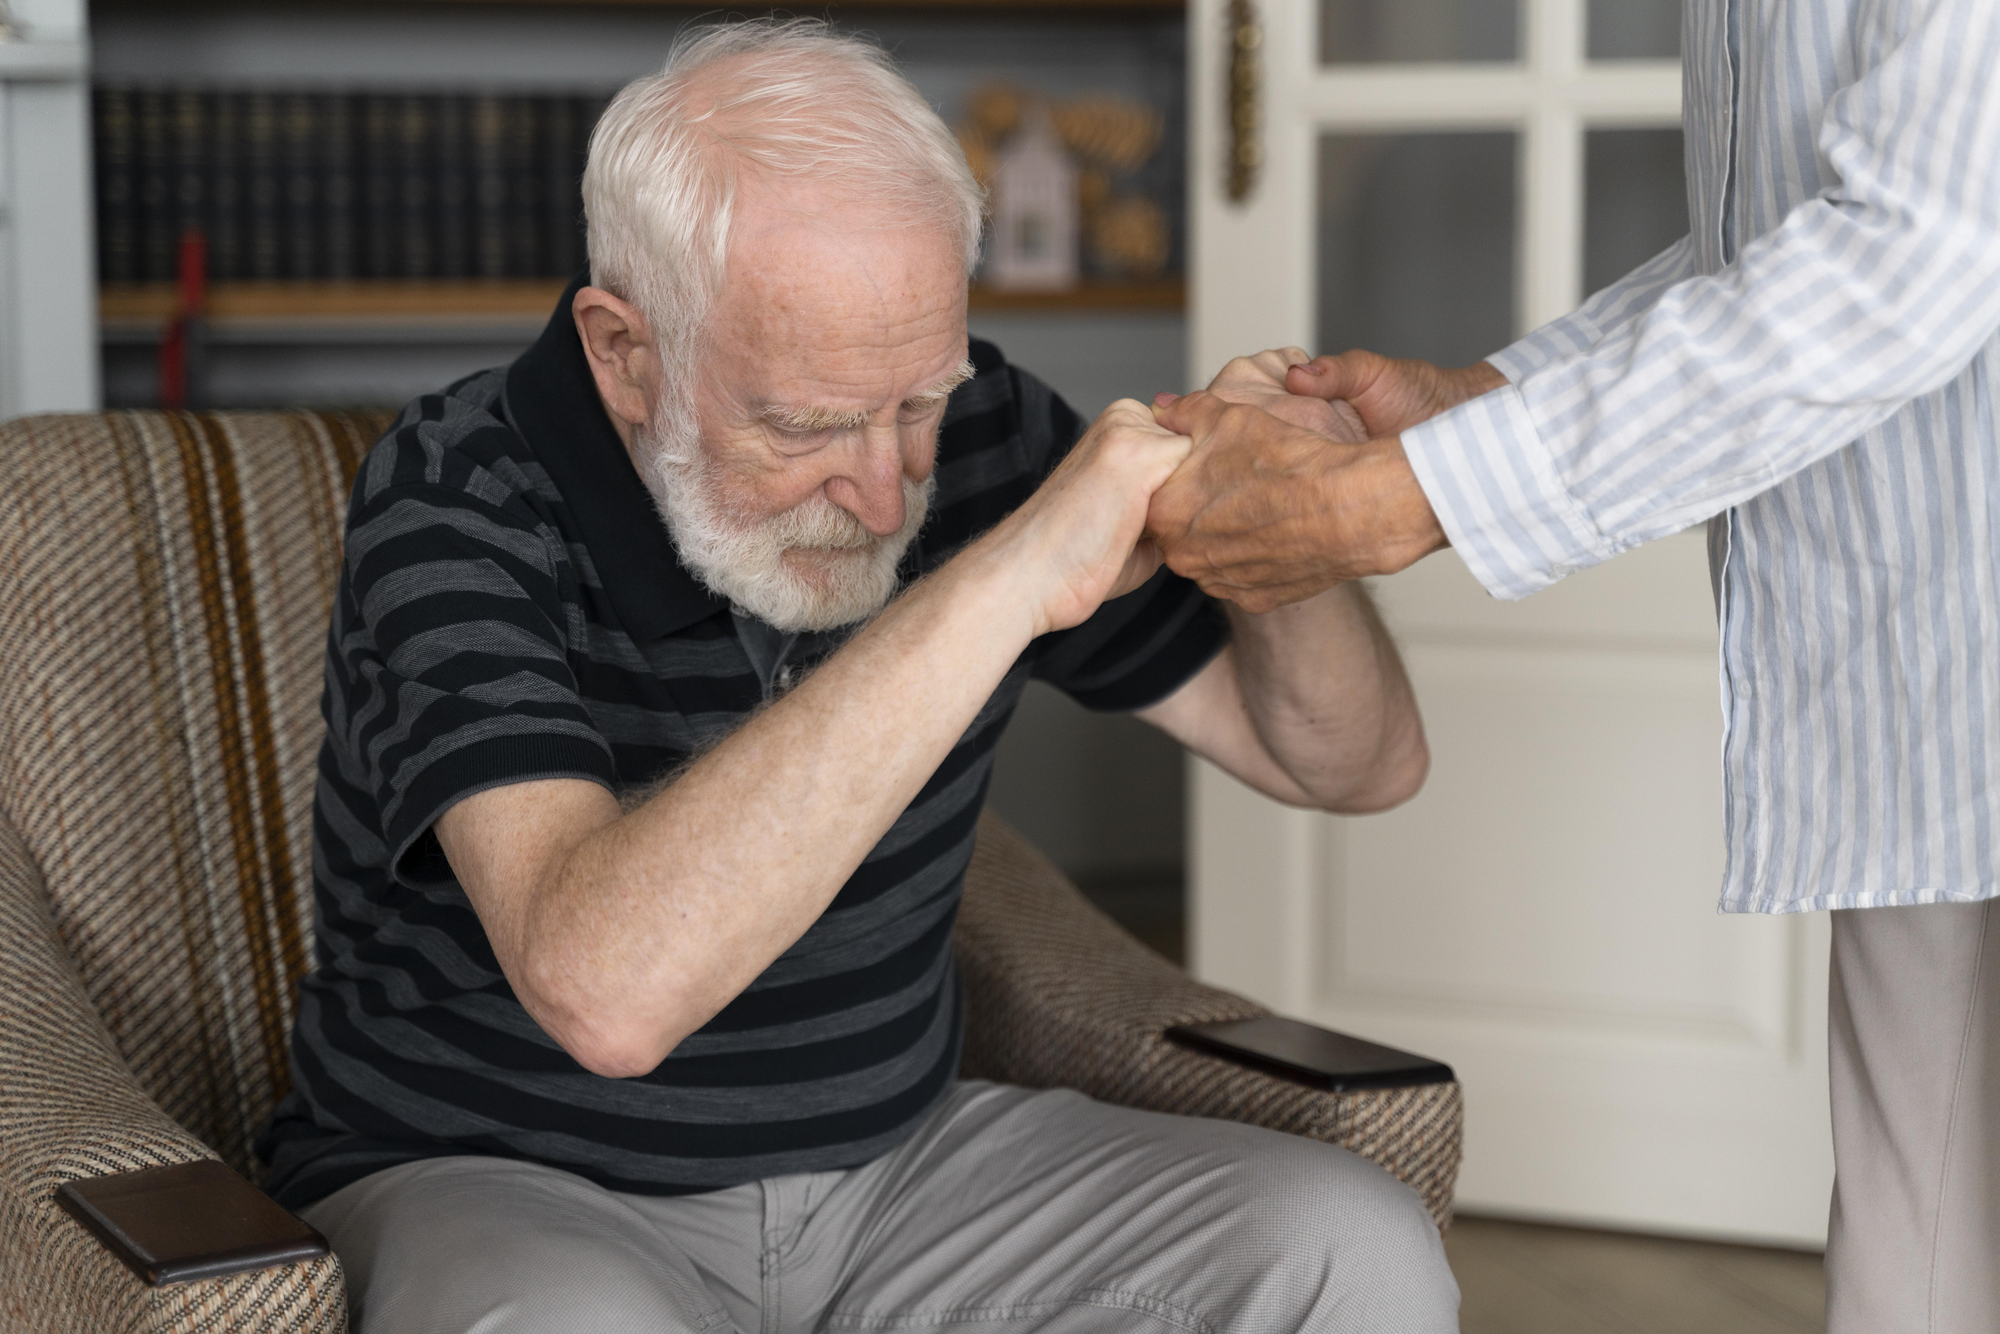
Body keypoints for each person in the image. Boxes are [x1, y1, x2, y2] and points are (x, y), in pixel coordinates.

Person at [256, 21, 1460, 1334]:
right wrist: (1007, 580)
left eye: (918, 400)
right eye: (806, 422)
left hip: (903, 1171)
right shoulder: (456, 493)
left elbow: (1353, 762)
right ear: (624, 351)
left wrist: (1280, 516)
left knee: (1354, 1245)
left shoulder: (994, 429)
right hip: (505, 1182)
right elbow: (604, 992)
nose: (885, 489)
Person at [1148, 2, 2000, 1330]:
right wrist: (1488, 404)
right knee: (1915, 1242)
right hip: (1929, 654)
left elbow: (1928, 243)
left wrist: (1405, 499)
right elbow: (1811, 220)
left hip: (1953, 612)